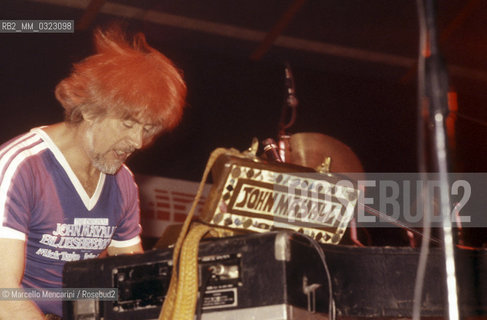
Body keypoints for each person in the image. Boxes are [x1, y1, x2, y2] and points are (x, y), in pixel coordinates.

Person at [0, 26, 186, 319]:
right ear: (89, 109)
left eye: (148, 130)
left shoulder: (123, 182)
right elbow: (4, 295)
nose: (138, 142)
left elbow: (135, 289)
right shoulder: (20, 167)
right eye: (128, 124)